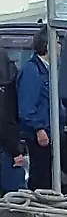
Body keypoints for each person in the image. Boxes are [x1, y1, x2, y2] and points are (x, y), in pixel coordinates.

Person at [17, 25, 64, 190]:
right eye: (57, 42)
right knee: (40, 177)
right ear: (47, 45)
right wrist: (39, 129)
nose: (60, 47)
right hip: (40, 135)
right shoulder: (32, 70)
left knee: (49, 176)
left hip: (52, 132)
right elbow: (26, 107)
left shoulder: (49, 69)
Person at [0, 48, 25, 194]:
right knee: (14, 195)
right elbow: (5, 121)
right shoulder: (6, 90)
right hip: (6, 149)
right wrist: (16, 150)